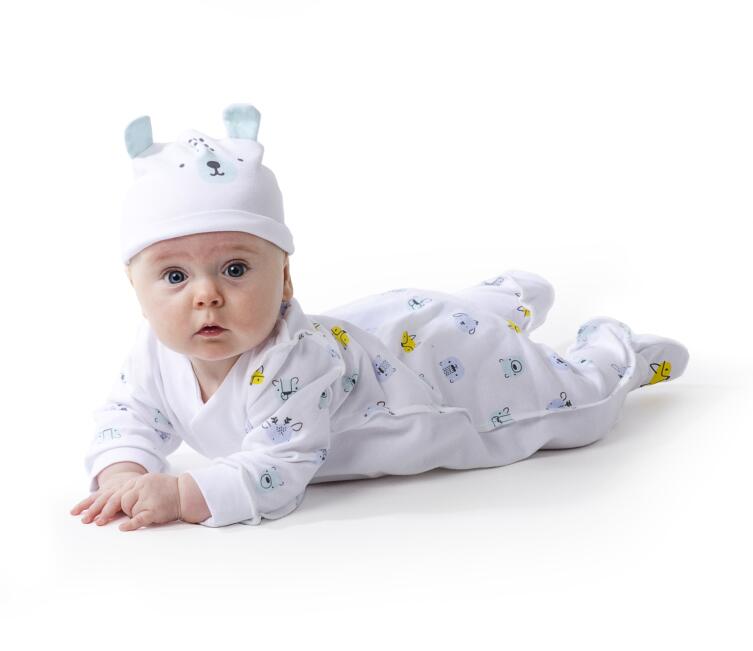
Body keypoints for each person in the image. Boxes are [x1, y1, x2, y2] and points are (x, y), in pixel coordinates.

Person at [69, 104, 690, 531]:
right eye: (174, 277)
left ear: (284, 280)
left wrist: (180, 494)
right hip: (384, 331)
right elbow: (128, 415)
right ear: (137, 290)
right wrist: (123, 472)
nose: (205, 295)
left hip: (429, 394)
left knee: (567, 405)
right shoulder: (155, 354)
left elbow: (276, 470)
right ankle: (503, 302)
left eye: (235, 269)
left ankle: (614, 354)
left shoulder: (291, 363)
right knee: (426, 322)